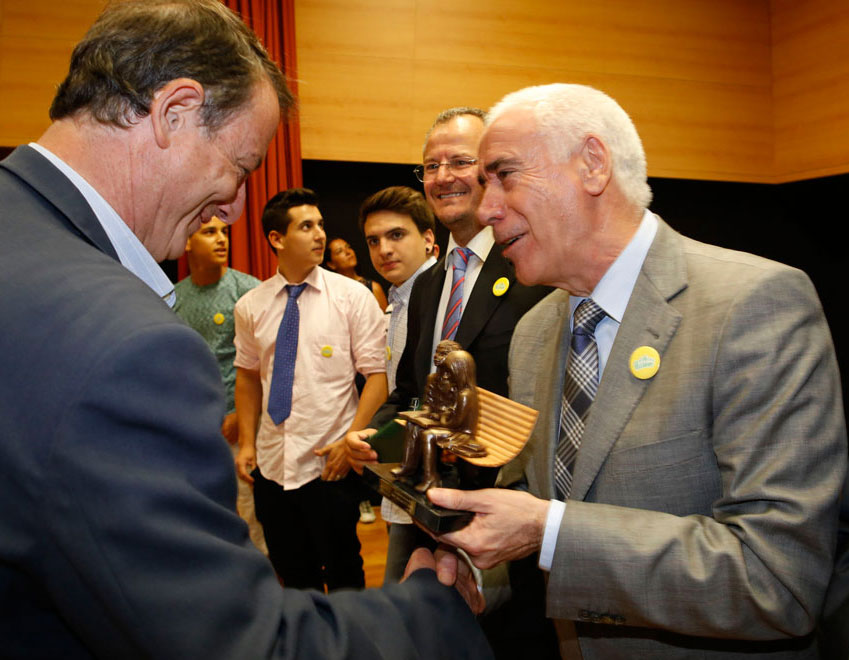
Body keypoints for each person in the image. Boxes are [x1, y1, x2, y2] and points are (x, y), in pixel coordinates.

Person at [0, 1, 491, 657]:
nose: (235, 208)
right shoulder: (123, 339)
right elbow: (235, 644)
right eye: (239, 168)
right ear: (173, 113)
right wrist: (435, 614)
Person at [426, 83, 847, 658]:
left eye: (504, 176)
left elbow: (777, 577)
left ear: (592, 165)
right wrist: (479, 566)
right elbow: (535, 503)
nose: (486, 208)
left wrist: (547, 532)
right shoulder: (534, 334)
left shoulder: (754, 305)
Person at [345, 108, 556, 656]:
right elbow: (414, 393)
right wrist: (376, 436)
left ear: (491, 168)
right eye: (430, 165)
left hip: (514, 530)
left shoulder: (536, 270)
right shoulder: (427, 285)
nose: (443, 177)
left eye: (460, 161)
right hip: (432, 515)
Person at [233, 187, 387, 593]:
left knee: (343, 573)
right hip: (271, 463)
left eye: (320, 224)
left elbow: (377, 376)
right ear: (276, 239)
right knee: (292, 574)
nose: (320, 234)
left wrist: (350, 438)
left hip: (328, 463)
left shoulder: (353, 296)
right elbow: (247, 376)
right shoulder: (251, 305)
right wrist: (247, 443)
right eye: (306, 226)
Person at [174, 215, 267, 554]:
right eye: (209, 232)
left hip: (244, 428)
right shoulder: (174, 299)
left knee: (252, 516)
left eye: (224, 232)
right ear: (188, 242)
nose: (221, 240)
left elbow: (262, 365)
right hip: (196, 427)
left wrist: (239, 417)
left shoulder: (249, 291)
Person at [357, 185, 437, 532]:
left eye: (396, 235)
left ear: (428, 238)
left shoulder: (444, 297)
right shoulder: (397, 300)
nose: (384, 250)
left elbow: (426, 397)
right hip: (402, 472)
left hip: (433, 479)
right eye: (373, 241)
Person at [326, 236, 388, 311]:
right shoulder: (329, 293)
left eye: (348, 247)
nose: (348, 252)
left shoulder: (373, 288)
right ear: (331, 264)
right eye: (339, 251)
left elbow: (385, 320)